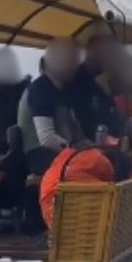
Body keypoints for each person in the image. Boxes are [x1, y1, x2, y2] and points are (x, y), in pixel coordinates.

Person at [17, 39, 85, 174]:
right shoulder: (40, 89)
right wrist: (76, 153)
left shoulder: (62, 90)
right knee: (88, 168)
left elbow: (75, 133)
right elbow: (47, 138)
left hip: (62, 153)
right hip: (41, 156)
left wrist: (90, 146)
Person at [68, 25, 125, 138]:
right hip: (91, 148)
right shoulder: (75, 82)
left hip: (114, 142)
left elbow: (114, 114)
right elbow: (80, 122)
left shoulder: (100, 84)